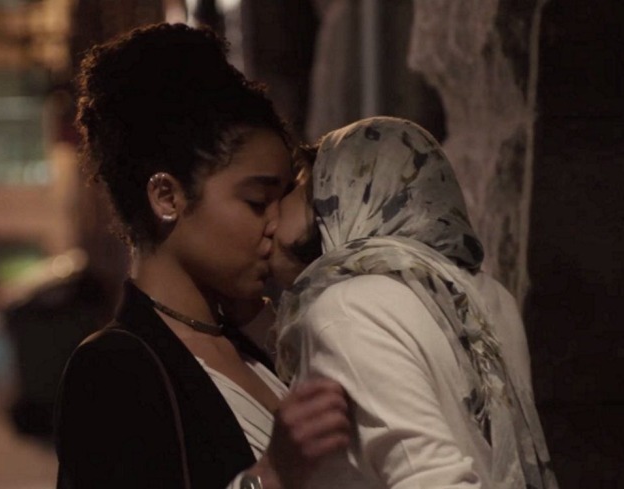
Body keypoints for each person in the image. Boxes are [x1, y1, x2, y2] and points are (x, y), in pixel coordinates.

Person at [54, 23, 351, 489]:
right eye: (257, 201)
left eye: (282, 200)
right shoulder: (115, 368)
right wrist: (271, 476)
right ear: (167, 197)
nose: (275, 223)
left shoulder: (254, 345)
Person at [269, 116, 559, 488]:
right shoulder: (489, 297)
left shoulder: (350, 308)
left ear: (343, 194)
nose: (273, 212)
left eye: (296, 185)